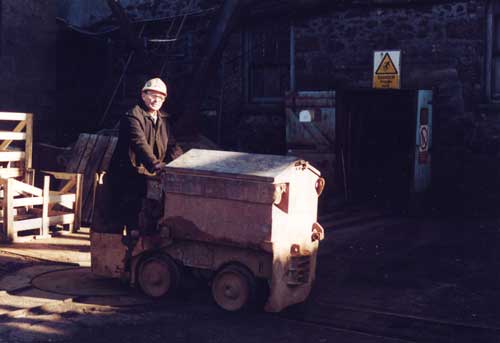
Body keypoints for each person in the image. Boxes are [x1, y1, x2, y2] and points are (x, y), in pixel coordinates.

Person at [108, 77, 183, 235]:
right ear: (143, 95)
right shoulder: (132, 117)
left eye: (161, 97)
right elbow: (139, 143)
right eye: (153, 95)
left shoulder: (163, 119)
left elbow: (172, 145)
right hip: (128, 174)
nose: (157, 100)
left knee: (153, 215)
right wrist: (155, 164)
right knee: (129, 217)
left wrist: (183, 165)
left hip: (148, 173)